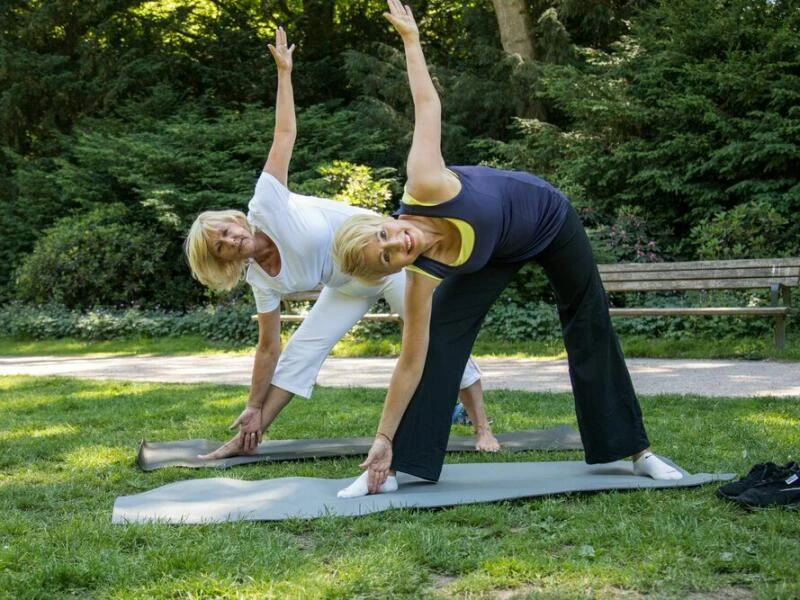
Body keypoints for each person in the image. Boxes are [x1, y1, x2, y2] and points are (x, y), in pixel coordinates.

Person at [332, 0, 682, 498]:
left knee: (588, 318)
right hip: (494, 251)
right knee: (440, 340)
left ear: (383, 222)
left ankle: (637, 452)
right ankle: (396, 465)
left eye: (385, 235)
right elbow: (409, 362)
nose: (397, 244)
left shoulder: (426, 183)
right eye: (388, 258)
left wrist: (411, 41)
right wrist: (382, 437)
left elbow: (428, 105)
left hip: (546, 217)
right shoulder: (422, 275)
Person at [183, 26, 499, 459]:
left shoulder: (267, 202)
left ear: (234, 220)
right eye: (221, 246)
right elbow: (268, 346)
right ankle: (249, 434)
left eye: (226, 230)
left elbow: (283, 137)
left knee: (427, 333)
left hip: (386, 259)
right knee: (301, 351)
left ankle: (482, 426)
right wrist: (252, 404)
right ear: (221, 261)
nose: (232, 240)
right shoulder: (261, 280)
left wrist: (284, 75)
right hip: (348, 284)